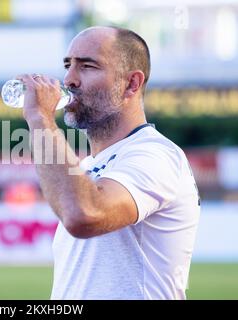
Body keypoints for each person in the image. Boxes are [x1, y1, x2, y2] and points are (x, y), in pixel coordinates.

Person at [16, 26, 200, 300]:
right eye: (68, 66)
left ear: (131, 84)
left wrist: (40, 120)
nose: (69, 80)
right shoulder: (89, 166)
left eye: (87, 66)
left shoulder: (155, 154)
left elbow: (83, 215)